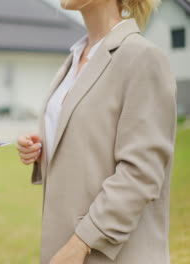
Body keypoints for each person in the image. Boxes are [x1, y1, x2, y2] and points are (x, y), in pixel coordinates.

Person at [17, 0, 176, 263]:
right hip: (64, 247)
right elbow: (86, 139)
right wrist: (39, 148)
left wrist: (80, 244)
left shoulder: (143, 57)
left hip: (112, 253)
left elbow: (141, 173)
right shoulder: (75, 58)